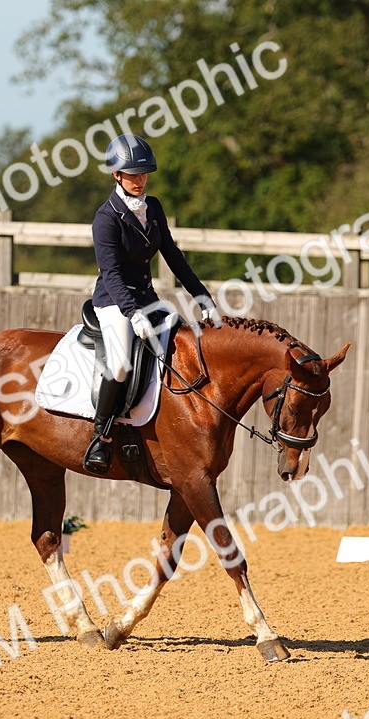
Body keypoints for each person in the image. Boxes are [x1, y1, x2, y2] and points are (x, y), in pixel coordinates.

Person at [83, 133, 219, 475]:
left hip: (147, 299)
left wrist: (202, 296)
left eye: (143, 172)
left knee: (180, 348)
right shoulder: (106, 217)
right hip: (114, 302)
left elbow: (173, 256)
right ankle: (102, 436)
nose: (139, 178)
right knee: (120, 366)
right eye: (132, 173)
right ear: (117, 175)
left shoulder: (153, 206)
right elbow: (111, 273)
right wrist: (132, 314)